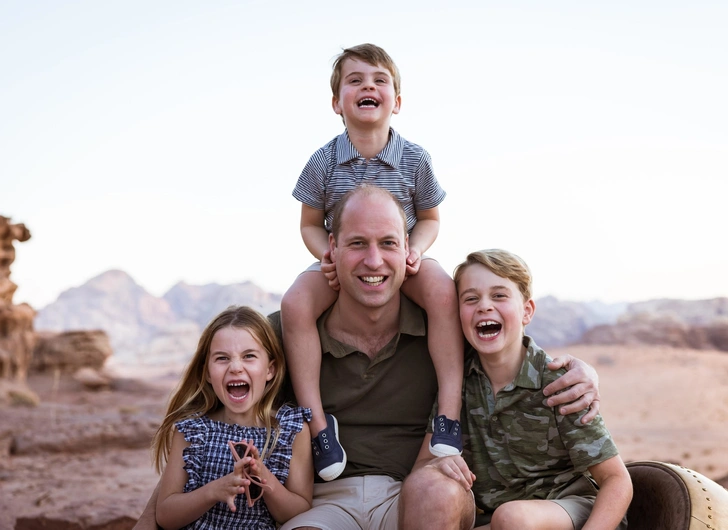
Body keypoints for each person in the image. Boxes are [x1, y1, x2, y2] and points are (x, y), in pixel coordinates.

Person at [134, 185, 601, 530]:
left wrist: (584, 371)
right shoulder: (287, 337)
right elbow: (208, 420)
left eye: (388, 244)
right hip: (323, 503)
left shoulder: (444, 331)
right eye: (357, 243)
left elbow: (509, 348)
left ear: (408, 253)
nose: (373, 260)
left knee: (437, 489)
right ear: (331, 250)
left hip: (415, 496)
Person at [281, 43, 465, 482]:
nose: (369, 86)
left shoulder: (415, 159)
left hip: (401, 258)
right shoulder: (323, 160)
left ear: (396, 102)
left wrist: (414, 249)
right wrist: (323, 254)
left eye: (380, 80)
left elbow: (430, 217)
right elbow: (308, 223)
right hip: (344, 262)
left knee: (442, 290)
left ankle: (450, 415)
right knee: (294, 304)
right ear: (336, 102)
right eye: (356, 80)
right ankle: (319, 427)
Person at [408, 249, 633, 529]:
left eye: (499, 295)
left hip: (571, 510)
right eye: (471, 298)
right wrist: (437, 466)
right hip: (500, 521)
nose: (484, 306)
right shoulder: (459, 384)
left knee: (513, 517)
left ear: (527, 311)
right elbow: (421, 468)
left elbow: (616, 480)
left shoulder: (558, 383)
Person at [151, 305, 313, 529]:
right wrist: (213, 491)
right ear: (207, 372)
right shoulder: (193, 430)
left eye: (249, 356)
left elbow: (297, 512)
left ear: (270, 369)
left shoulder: (290, 430)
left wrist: (264, 479)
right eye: (222, 358)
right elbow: (165, 516)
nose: (236, 367)